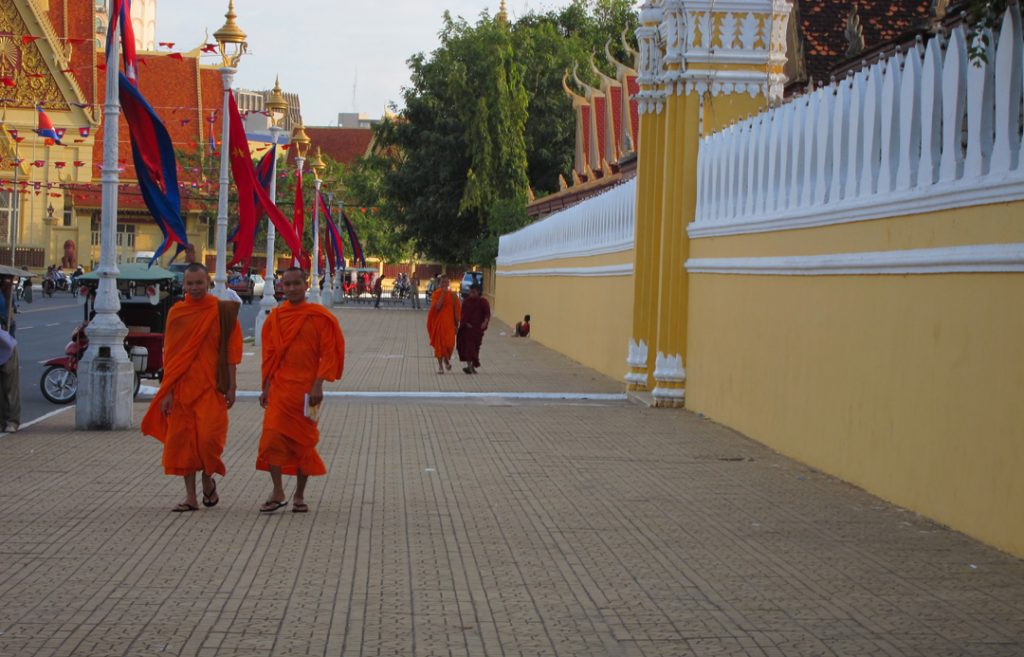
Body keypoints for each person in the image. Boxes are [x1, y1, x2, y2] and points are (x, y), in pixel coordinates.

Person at [141, 263, 242, 512]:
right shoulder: (177, 313)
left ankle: (208, 478)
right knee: (184, 443)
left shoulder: (222, 311)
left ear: (208, 283)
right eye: (190, 283)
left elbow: (231, 351)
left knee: (209, 440)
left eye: (199, 283)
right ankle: (191, 497)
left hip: (212, 387)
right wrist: (167, 392)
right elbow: (171, 356)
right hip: (182, 388)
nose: (195, 288)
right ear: (183, 285)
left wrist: (232, 386)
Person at [258, 268, 345, 513]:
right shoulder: (275, 318)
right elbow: (270, 357)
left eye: (297, 283)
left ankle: (299, 495)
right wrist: (265, 387)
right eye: (287, 284)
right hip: (280, 390)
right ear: (281, 286)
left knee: (304, 443)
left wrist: (318, 384)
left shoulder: (319, 316)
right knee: (271, 439)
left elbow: (329, 354)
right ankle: (277, 491)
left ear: (306, 285)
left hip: (309, 391)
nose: (292, 288)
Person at [427, 274, 460, 374]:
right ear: (440, 283)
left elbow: (457, 311)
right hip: (439, 324)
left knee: (449, 345)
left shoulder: (453, 295)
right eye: (442, 282)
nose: (444, 284)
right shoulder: (436, 294)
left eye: (446, 282)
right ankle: (441, 367)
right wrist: (443, 294)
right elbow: (437, 307)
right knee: (439, 345)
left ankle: (446, 360)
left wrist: (456, 324)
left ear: (449, 283)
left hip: (449, 325)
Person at [0, 276, 20, 433]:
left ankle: (11, 420)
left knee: (9, 386)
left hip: (6, 345)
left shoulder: (6, 294)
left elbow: (10, 321)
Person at [456, 284, 490, 374]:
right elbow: (463, 315)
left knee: (475, 348)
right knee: (469, 348)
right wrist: (466, 323)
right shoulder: (466, 302)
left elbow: (487, 313)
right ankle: (469, 366)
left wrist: (485, 322)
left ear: (478, 292)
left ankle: (471, 366)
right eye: (470, 292)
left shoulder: (483, 302)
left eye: (474, 292)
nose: (471, 294)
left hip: (477, 329)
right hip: (468, 329)